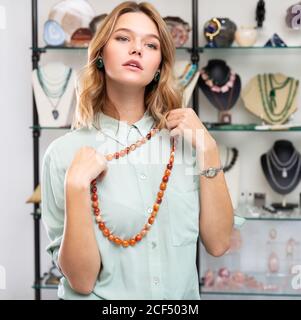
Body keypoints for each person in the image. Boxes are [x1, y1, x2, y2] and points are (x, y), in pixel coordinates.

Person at [41, 1, 233, 300]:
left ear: (159, 67)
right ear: (101, 54)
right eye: (123, 38)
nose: (137, 49)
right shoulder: (63, 154)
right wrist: (76, 187)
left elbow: (219, 244)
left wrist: (208, 148)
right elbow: (81, 281)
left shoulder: (189, 144)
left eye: (151, 44)